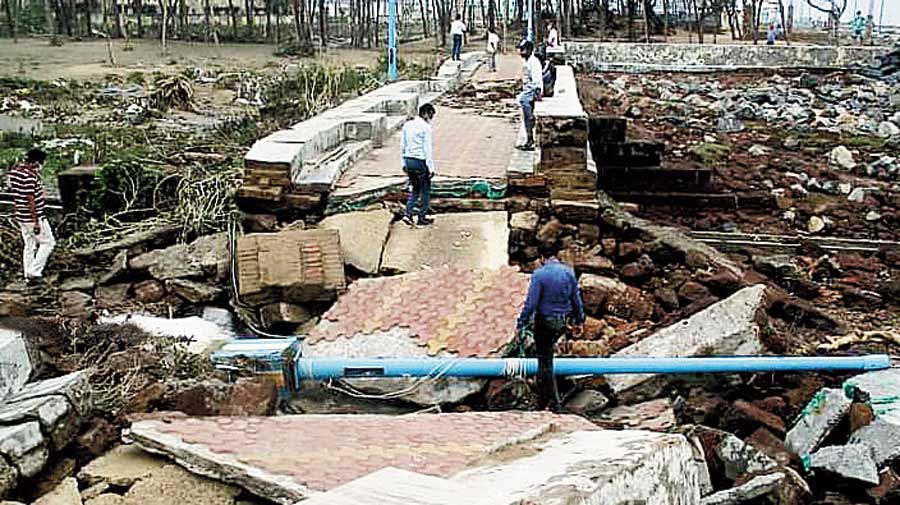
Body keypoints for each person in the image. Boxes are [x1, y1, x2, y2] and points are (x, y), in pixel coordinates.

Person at [516, 244, 585, 412]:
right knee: (549, 359)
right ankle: (550, 401)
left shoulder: (539, 275)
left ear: (541, 258)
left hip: (545, 322)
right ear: (557, 255)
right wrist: (579, 320)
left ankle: (550, 404)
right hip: (562, 322)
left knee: (544, 364)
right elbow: (576, 299)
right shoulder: (568, 272)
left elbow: (531, 303)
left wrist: (521, 322)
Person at [8, 148, 55, 283]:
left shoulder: (15, 172)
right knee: (48, 243)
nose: (41, 166)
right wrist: (36, 222)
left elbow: (17, 195)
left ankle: (28, 273)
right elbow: (31, 200)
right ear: (35, 162)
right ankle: (34, 272)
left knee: (29, 245)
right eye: (40, 163)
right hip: (32, 216)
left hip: (21, 215)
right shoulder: (29, 177)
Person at [400, 103, 436, 227]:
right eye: (431, 115)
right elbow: (427, 148)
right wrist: (431, 168)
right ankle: (422, 216)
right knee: (425, 190)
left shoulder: (407, 125)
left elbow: (403, 145)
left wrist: (403, 162)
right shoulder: (425, 127)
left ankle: (408, 214)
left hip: (409, 160)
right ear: (426, 113)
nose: (431, 118)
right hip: (420, 161)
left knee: (415, 189)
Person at [516, 40, 544, 151]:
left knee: (528, 117)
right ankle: (529, 139)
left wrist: (537, 93)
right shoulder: (527, 62)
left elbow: (537, 80)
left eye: (523, 50)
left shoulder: (534, 62)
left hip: (532, 91)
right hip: (527, 90)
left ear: (529, 50)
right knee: (525, 117)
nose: (521, 52)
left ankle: (530, 139)